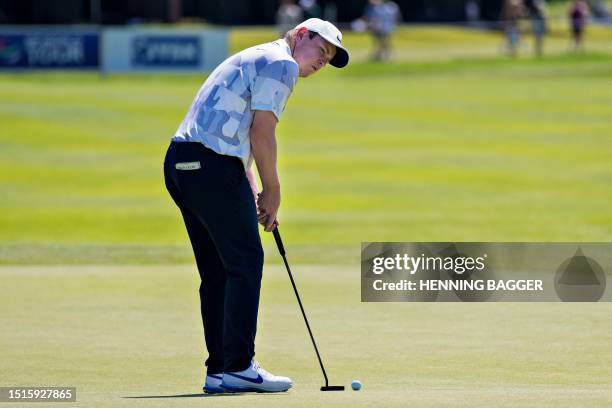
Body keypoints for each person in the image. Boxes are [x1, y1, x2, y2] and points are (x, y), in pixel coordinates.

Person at [163, 18, 349, 394]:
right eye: (321, 50)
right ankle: (239, 366)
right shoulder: (283, 64)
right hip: (212, 166)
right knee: (246, 262)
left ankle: (219, 370)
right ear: (300, 35)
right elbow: (262, 131)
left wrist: (250, 188)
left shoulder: (256, 56)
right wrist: (273, 189)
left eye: (329, 59)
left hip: (182, 163)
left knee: (218, 272)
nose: (322, 62)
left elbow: (235, 130)